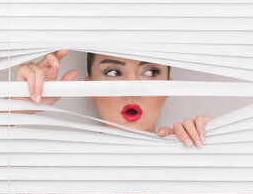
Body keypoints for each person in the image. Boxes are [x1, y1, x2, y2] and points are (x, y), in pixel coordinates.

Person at [12, 49, 212, 148]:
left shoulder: (193, 173)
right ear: (90, 89)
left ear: (168, 88)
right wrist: (17, 107)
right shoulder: (57, 171)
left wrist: (219, 146)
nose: (132, 90)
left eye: (150, 73)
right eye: (114, 72)